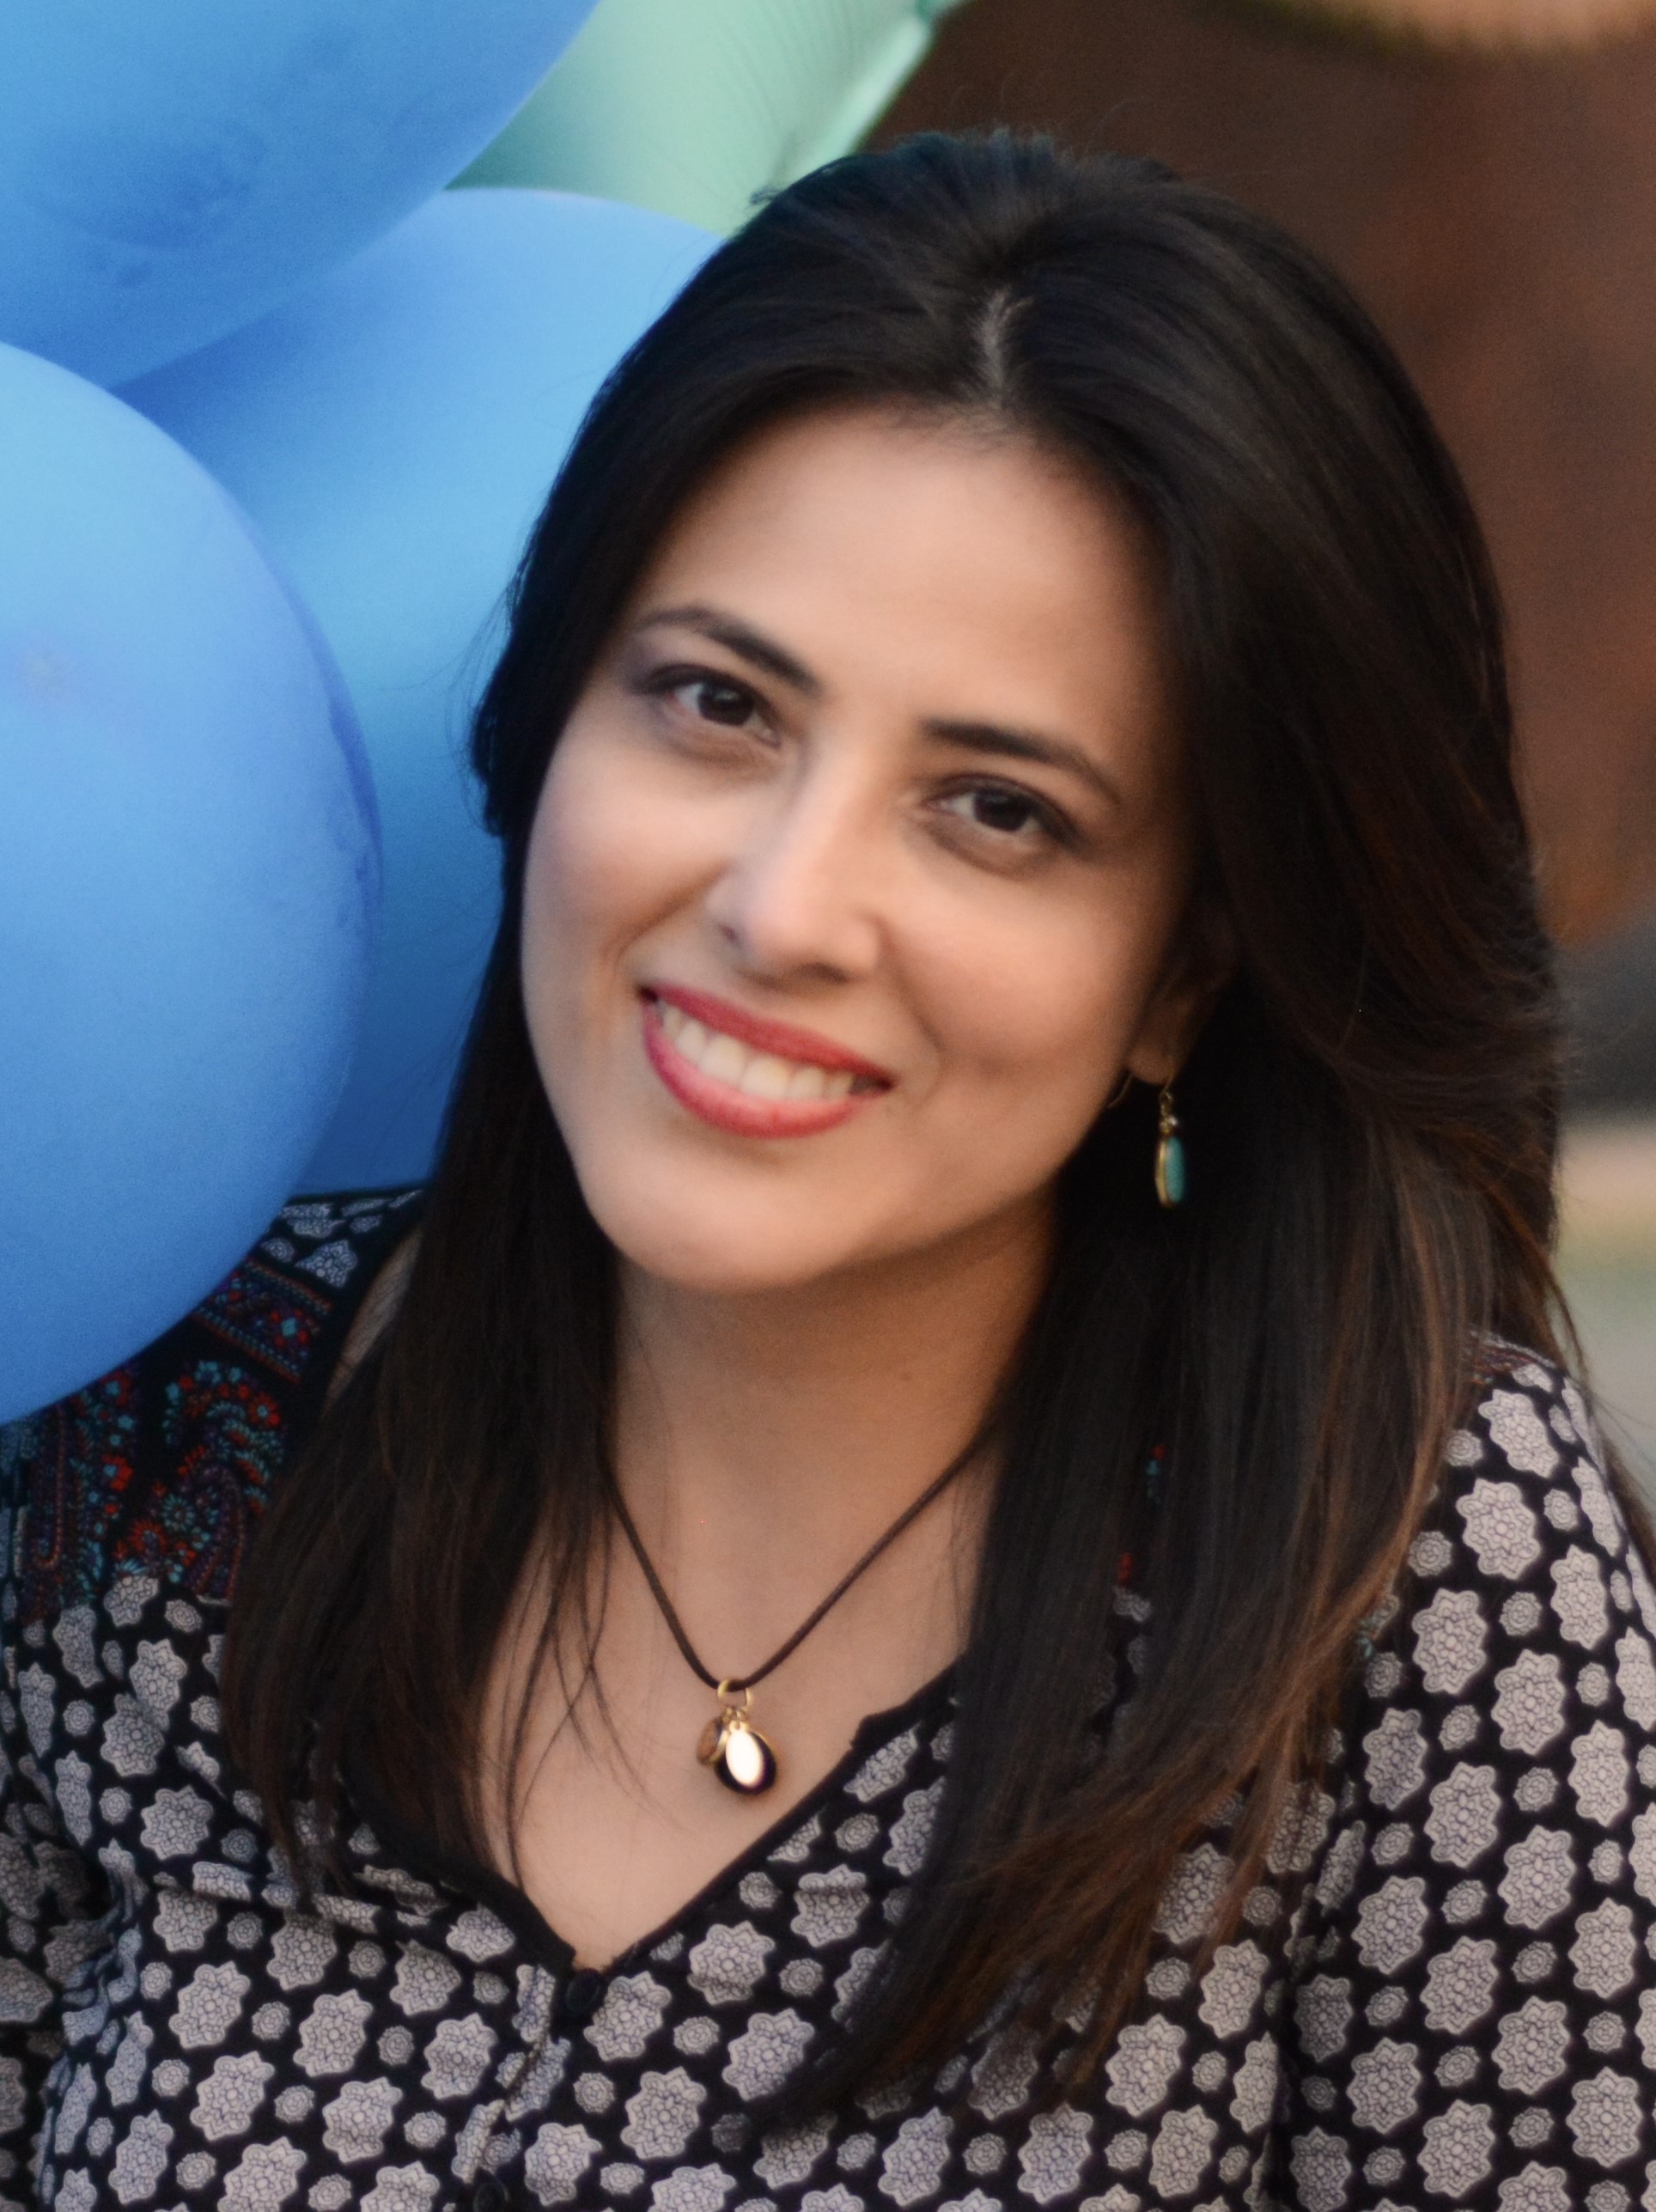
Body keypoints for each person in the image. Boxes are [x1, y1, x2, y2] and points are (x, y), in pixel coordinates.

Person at [3, 130, 1653, 2212]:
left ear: (1185, 973)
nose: (781, 906)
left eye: (996, 810)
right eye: (716, 703)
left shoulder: (1402, 1551)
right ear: (547, 722)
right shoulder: (157, 1433)